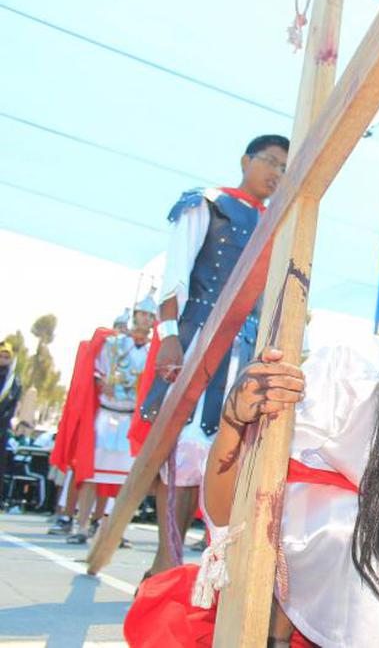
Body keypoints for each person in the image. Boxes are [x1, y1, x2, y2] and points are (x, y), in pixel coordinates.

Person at [126, 302, 379, 647]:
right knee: (346, 529)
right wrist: (235, 422)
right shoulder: (349, 381)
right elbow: (230, 512)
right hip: (324, 564)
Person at [137, 134, 289, 575]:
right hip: (200, 339)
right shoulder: (208, 203)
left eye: (284, 168)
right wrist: (168, 334)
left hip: (248, 351)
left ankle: (213, 571)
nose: (277, 173)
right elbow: (176, 272)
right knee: (184, 449)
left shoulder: (279, 225)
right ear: (246, 159)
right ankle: (164, 566)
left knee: (232, 454)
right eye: (271, 162)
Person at [66, 298, 154, 544]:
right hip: (107, 414)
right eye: (142, 314)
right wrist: (103, 384)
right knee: (93, 474)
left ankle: (114, 530)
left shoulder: (152, 352)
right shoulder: (114, 345)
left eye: (150, 315)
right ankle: (81, 525)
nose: (146, 319)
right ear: (135, 315)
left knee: (125, 481)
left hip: (130, 419)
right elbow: (98, 373)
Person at [0, 340, 23, 507]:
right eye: (1, 355)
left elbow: (11, 404)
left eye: (6, 356)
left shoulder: (13, 380)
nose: (3, 358)